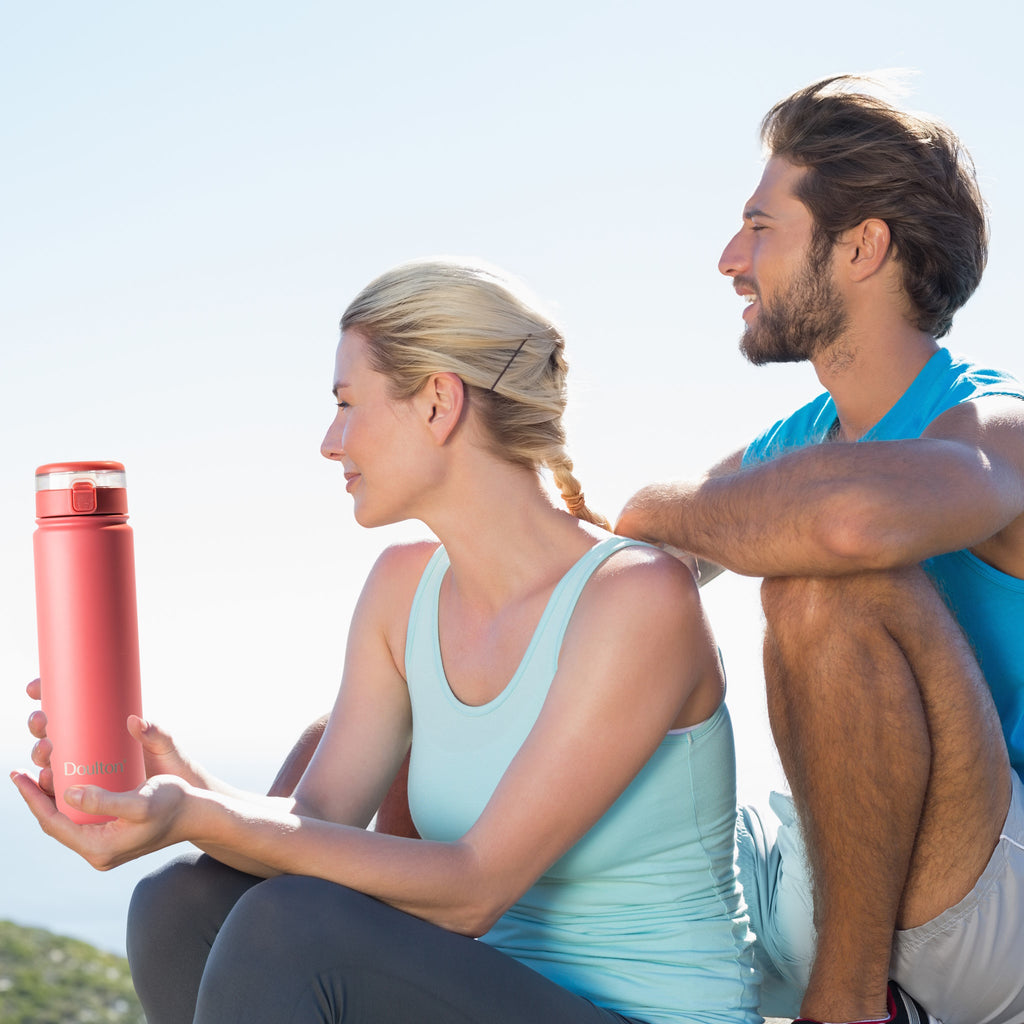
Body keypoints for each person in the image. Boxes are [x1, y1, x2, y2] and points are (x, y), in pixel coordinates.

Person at [14, 259, 760, 1024]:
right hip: (481, 992)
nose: (329, 441)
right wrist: (178, 789)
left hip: (645, 1015)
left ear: (438, 402)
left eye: (346, 404)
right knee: (181, 901)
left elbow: (475, 888)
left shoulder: (635, 599)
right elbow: (317, 821)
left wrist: (195, 815)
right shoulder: (403, 591)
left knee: (292, 928)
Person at [616, 76, 1024, 1024]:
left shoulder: (994, 422)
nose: (731, 260)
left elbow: (851, 526)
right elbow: (633, 555)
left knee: (828, 586)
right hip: (834, 873)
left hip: (989, 897)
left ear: (861, 246)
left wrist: (672, 509)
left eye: (760, 227)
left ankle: (847, 1010)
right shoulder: (802, 443)